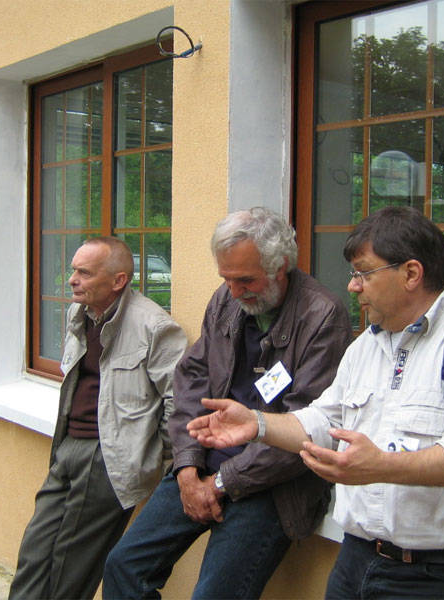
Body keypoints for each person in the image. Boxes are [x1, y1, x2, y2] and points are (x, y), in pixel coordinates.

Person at [188, 206, 444, 599]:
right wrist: (258, 424)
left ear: (411, 273)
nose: (352, 286)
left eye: (363, 273)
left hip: (432, 575)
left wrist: (381, 466)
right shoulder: (368, 345)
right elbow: (324, 421)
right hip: (354, 560)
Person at [103, 207, 352, 599]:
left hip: (271, 484)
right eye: (227, 279)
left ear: (281, 266)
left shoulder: (322, 315)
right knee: (123, 566)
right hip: (203, 463)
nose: (235, 291)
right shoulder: (226, 300)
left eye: (246, 280)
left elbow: (308, 429)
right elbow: (191, 379)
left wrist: (221, 484)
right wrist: (187, 468)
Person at [8, 237, 187, 600]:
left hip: (109, 459)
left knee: (71, 567)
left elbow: (179, 400)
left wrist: (150, 454)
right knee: (34, 553)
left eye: (84, 273)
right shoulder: (80, 314)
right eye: (73, 270)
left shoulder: (154, 326)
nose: (72, 279)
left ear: (118, 280)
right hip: (67, 448)